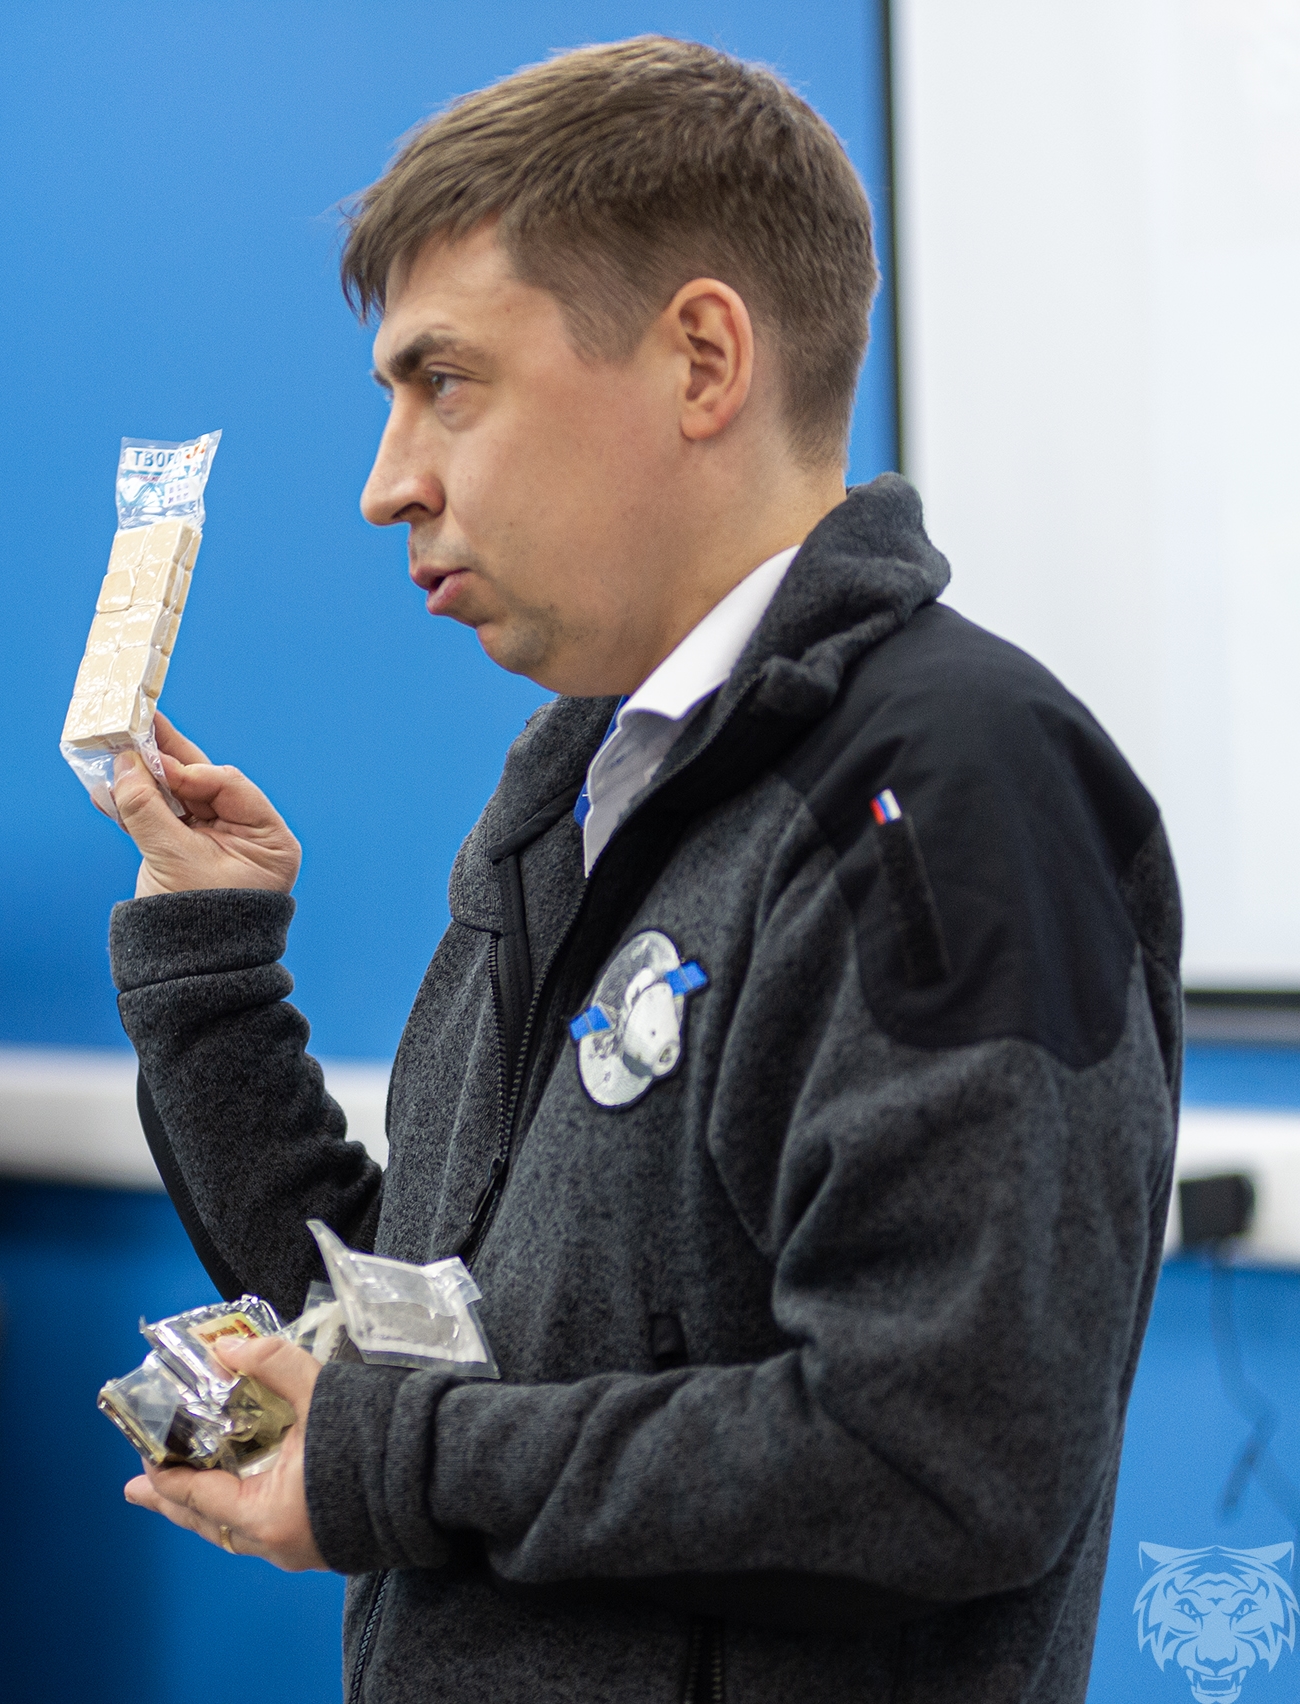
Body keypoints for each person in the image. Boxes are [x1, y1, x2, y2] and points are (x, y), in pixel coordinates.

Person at [103, 36, 1180, 1704]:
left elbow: (939, 1457)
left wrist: (397, 1463)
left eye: (446, 381)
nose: (388, 483)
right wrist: (213, 970)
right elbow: (424, 1334)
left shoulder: (948, 795)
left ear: (701, 360)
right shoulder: (577, 796)